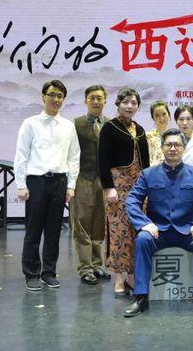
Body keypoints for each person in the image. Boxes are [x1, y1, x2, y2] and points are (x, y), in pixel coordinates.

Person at [123, 128, 193, 317]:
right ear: (162, 148)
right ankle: (141, 297)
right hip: (158, 231)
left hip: (188, 232)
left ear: (184, 148)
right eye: (169, 144)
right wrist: (144, 223)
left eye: (177, 144)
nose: (173, 148)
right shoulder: (148, 174)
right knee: (142, 239)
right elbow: (132, 200)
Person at [14, 79, 80, 291]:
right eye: (51, 94)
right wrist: (21, 184)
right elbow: (21, 155)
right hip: (36, 181)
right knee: (33, 230)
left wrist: (71, 185)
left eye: (60, 96)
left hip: (59, 181)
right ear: (43, 96)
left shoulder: (68, 126)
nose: (55, 99)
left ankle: (49, 272)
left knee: (53, 231)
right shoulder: (30, 123)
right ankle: (31, 273)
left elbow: (74, 157)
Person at [98, 87, 150, 297]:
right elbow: (102, 159)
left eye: (133, 103)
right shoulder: (109, 128)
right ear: (118, 104)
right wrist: (108, 187)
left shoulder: (141, 129)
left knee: (137, 230)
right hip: (117, 186)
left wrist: (148, 188)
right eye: (125, 102)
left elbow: (146, 164)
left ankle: (133, 277)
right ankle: (119, 278)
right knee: (119, 231)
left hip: (139, 186)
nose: (129, 106)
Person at [71, 85, 111, 285]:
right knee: (81, 224)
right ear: (85, 101)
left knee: (99, 224)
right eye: (92, 98)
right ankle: (85, 267)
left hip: (103, 181)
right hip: (82, 178)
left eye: (99, 98)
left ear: (105, 101)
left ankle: (96, 264)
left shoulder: (110, 124)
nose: (96, 101)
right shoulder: (76, 124)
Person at [146, 101, 171, 166]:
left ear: (168, 114)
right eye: (157, 115)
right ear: (153, 118)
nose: (161, 118)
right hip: (153, 170)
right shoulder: (148, 136)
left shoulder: (175, 136)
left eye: (164, 114)